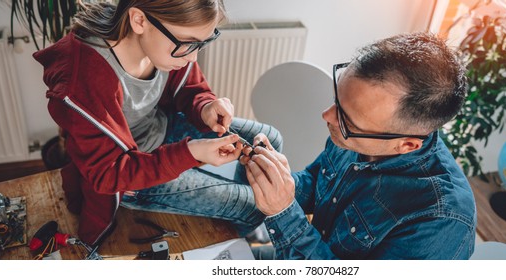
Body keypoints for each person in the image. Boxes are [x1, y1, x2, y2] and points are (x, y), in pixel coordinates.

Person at [33, 0, 282, 246]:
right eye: (187, 43)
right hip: (130, 175)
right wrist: (189, 154)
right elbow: (107, 174)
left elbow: (190, 87)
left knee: (270, 136)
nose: (194, 57)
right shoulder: (83, 80)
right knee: (253, 206)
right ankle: (231, 236)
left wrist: (205, 106)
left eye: (202, 43)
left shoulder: (160, 42)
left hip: (161, 128)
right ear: (139, 20)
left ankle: (230, 211)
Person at [240, 32, 476, 259]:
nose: (327, 116)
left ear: (406, 145)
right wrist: (275, 177)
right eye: (336, 99)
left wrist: (283, 212)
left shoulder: (440, 222)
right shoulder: (357, 134)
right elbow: (317, 186)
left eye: (347, 120)